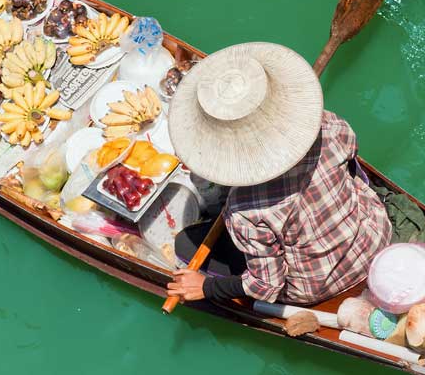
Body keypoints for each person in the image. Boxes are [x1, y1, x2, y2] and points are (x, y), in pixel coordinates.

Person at [164, 42, 392, 306]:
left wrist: (208, 287)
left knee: (184, 244)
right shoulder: (328, 125)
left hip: (316, 285)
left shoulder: (245, 212)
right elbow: (351, 154)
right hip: (374, 235)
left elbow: (267, 286)